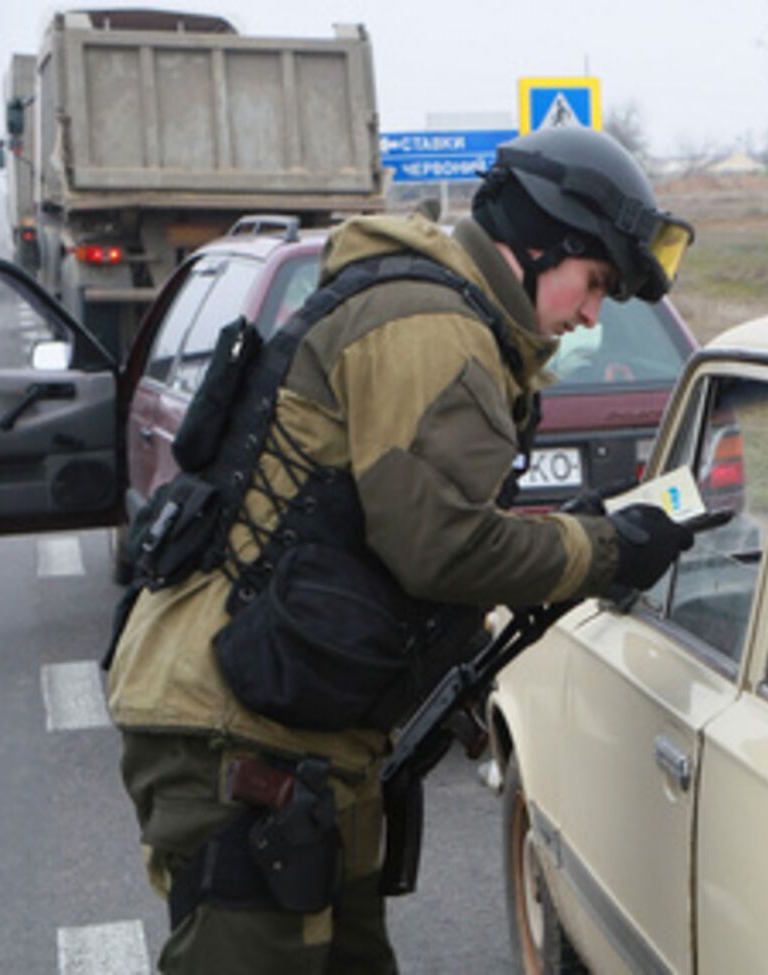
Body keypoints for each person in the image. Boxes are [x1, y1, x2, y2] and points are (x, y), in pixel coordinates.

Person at [105, 126, 697, 974]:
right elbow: (441, 548)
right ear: (535, 245)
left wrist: (571, 528)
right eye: (593, 280)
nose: (590, 314)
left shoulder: (436, 310)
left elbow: (409, 521)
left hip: (292, 727)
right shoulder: (432, 325)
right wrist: (600, 548)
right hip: (235, 728)